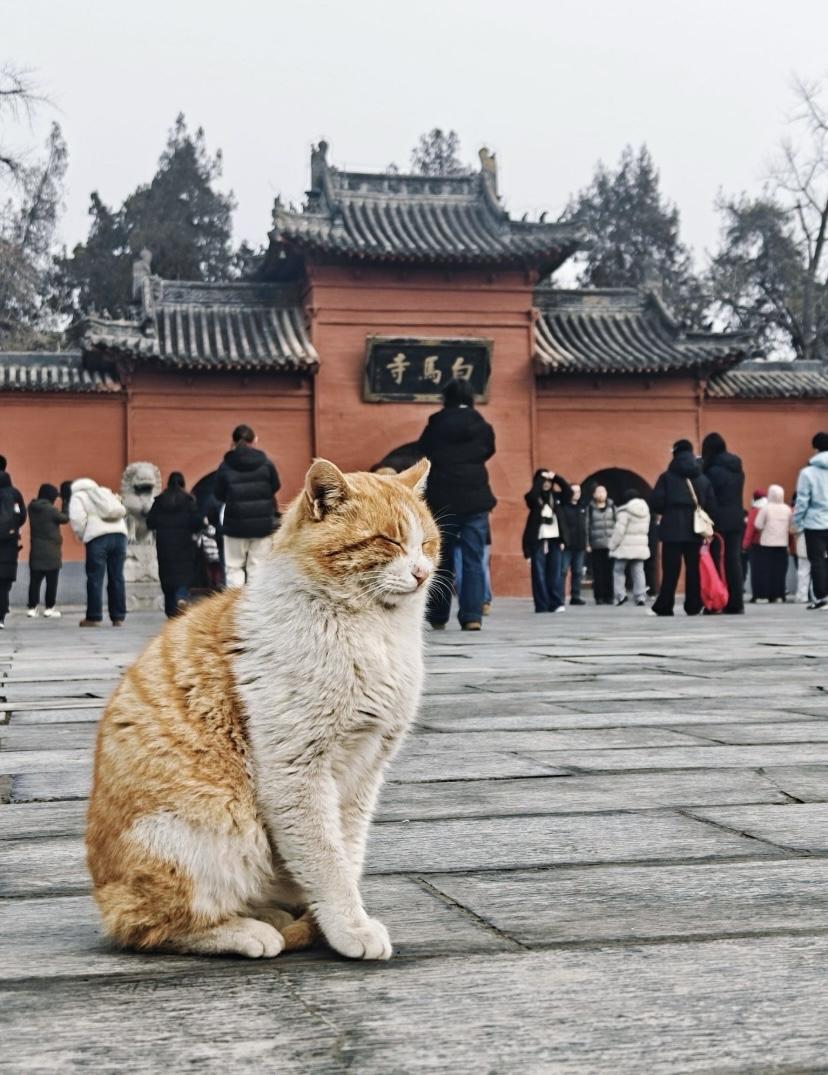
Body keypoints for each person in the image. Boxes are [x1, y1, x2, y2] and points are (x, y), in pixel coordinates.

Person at [417, 378, 496, 631]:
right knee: (474, 558)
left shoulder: (436, 423)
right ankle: (472, 616)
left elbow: (424, 450)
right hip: (475, 499)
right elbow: (488, 451)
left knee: (442, 558)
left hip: (443, 498)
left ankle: (438, 615)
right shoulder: (481, 424)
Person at [650, 439, 716, 616]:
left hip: (671, 528)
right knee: (694, 569)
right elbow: (711, 504)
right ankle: (693, 605)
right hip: (695, 529)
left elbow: (657, 502)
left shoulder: (666, 477)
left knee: (670, 570)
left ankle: (665, 605)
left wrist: (669, 510)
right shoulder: (702, 478)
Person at [214, 424, 281, 588]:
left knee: (233, 568)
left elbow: (219, 495)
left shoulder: (225, 465)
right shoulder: (266, 463)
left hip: (234, 525)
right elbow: (275, 486)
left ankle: (234, 609)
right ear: (255, 440)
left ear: (233, 441)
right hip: (262, 526)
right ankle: (254, 608)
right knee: (258, 568)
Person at [69, 478, 128, 627]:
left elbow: (77, 519)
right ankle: (118, 617)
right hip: (120, 535)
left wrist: (83, 535)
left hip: (97, 538)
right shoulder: (106, 492)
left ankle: (94, 617)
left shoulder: (78, 496)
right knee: (117, 577)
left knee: (95, 578)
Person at [146, 472, 202, 617]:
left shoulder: (159, 501)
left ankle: (170, 610)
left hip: (164, 544)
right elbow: (197, 523)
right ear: (183, 483)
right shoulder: (189, 500)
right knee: (184, 575)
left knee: (166, 576)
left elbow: (150, 522)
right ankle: (181, 598)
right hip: (184, 544)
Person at [701, 432, 745, 614]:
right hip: (736, 518)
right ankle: (736, 602)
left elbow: (709, 497)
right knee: (733, 560)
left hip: (718, 520)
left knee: (716, 560)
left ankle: (718, 600)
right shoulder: (738, 469)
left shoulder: (711, 471)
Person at [521, 470, 570, 613]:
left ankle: (556, 602)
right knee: (539, 574)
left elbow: (568, 492)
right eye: (544, 482)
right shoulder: (534, 498)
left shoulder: (557, 497)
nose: (547, 484)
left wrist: (556, 477)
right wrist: (541, 479)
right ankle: (541, 604)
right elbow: (531, 495)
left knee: (555, 573)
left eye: (549, 482)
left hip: (555, 540)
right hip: (538, 540)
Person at [793, 432, 828, 611]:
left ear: (815, 448)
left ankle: (822, 598)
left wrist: (797, 522)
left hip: (814, 523)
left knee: (817, 561)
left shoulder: (807, 473)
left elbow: (802, 501)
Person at [26, 483, 69, 618]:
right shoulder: (51, 510)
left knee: (34, 581)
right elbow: (65, 518)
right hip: (51, 552)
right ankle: (49, 608)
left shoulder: (31, 508)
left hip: (36, 552)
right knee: (51, 582)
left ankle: (32, 608)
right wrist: (66, 502)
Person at [609, 488, 651, 607]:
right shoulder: (645, 510)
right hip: (640, 545)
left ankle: (620, 595)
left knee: (618, 570)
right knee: (638, 571)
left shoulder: (625, 511)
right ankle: (640, 596)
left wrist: (612, 545)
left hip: (624, 547)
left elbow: (619, 531)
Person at [754, 485, 793, 603]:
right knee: (779, 572)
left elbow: (758, 525)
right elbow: (791, 527)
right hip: (782, 544)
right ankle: (779, 596)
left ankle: (764, 596)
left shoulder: (766, 508)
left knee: (765, 571)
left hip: (767, 544)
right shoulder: (787, 509)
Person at [0, 469, 26, 629]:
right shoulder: (15, 494)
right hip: (9, 546)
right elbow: (23, 515)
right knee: (3, 584)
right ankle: (1, 617)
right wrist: (13, 529)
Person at [559, 482, 588, 605]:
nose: (577, 494)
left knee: (578, 571)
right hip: (566, 544)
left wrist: (587, 542)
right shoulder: (563, 507)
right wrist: (561, 540)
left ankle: (575, 596)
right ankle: (560, 596)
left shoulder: (583, 507)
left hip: (580, 544)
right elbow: (561, 525)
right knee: (563, 571)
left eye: (579, 492)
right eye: (574, 491)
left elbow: (586, 526)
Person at [587, 485, 616, 604]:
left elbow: (618, 525)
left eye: (603, 491)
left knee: (610, 572)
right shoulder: (590, 508)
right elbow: (586, 526)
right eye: (598, 492)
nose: (601, 494)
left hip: (610, 545)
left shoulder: (613, 507)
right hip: (596, 545)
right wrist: (587, 543)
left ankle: (609, 596)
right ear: (594, 494)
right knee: (597, 572)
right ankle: (598, 596)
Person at [743, 489, 769, 602]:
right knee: (768, 570)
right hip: (770, 544)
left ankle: (758, 595)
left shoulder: (754, 510)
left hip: (756, 544)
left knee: (757, 571)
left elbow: (750, 529)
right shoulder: (770, 508)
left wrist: (745, 544)